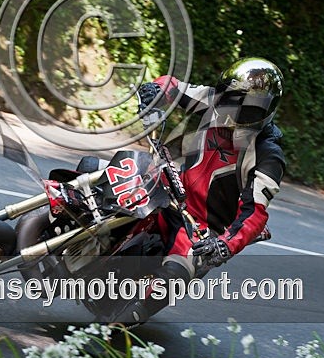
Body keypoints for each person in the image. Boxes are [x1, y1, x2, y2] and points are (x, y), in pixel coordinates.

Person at [104, 57, 286, 324]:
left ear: (265, 111)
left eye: (246, 107)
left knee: (175, 274)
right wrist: (155, 90)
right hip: (168, 188)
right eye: (231, 99)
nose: (233, 111)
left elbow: (255, 214)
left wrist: (223, 246)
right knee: (108, 175)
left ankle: (118, 326)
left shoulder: (268, 155)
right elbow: (174, 87)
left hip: (200, 228)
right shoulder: (214, 102)